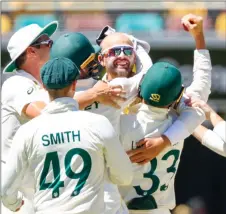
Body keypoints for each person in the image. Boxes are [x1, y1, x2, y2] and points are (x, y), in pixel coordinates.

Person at [1, 57, 133, 214]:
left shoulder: (27, 131)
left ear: (43, 86)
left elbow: (6, 189)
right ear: (74, 84)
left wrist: (15, 204)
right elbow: (125, 177)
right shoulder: (99, 124)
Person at [119, 62, 205, 214]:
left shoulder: (121, 122)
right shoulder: (178, 125)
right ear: (177, 96)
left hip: (122, 208)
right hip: (160, 210)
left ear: (140, 88)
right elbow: (198, 110)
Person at [1, 20, 58, 214]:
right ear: (32, 52)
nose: (53, 47)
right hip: (18, 196)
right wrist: (92, 96)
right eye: (48, 43)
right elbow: (48, 115)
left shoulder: (44, 86)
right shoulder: (15, 83)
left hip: (40, 187)